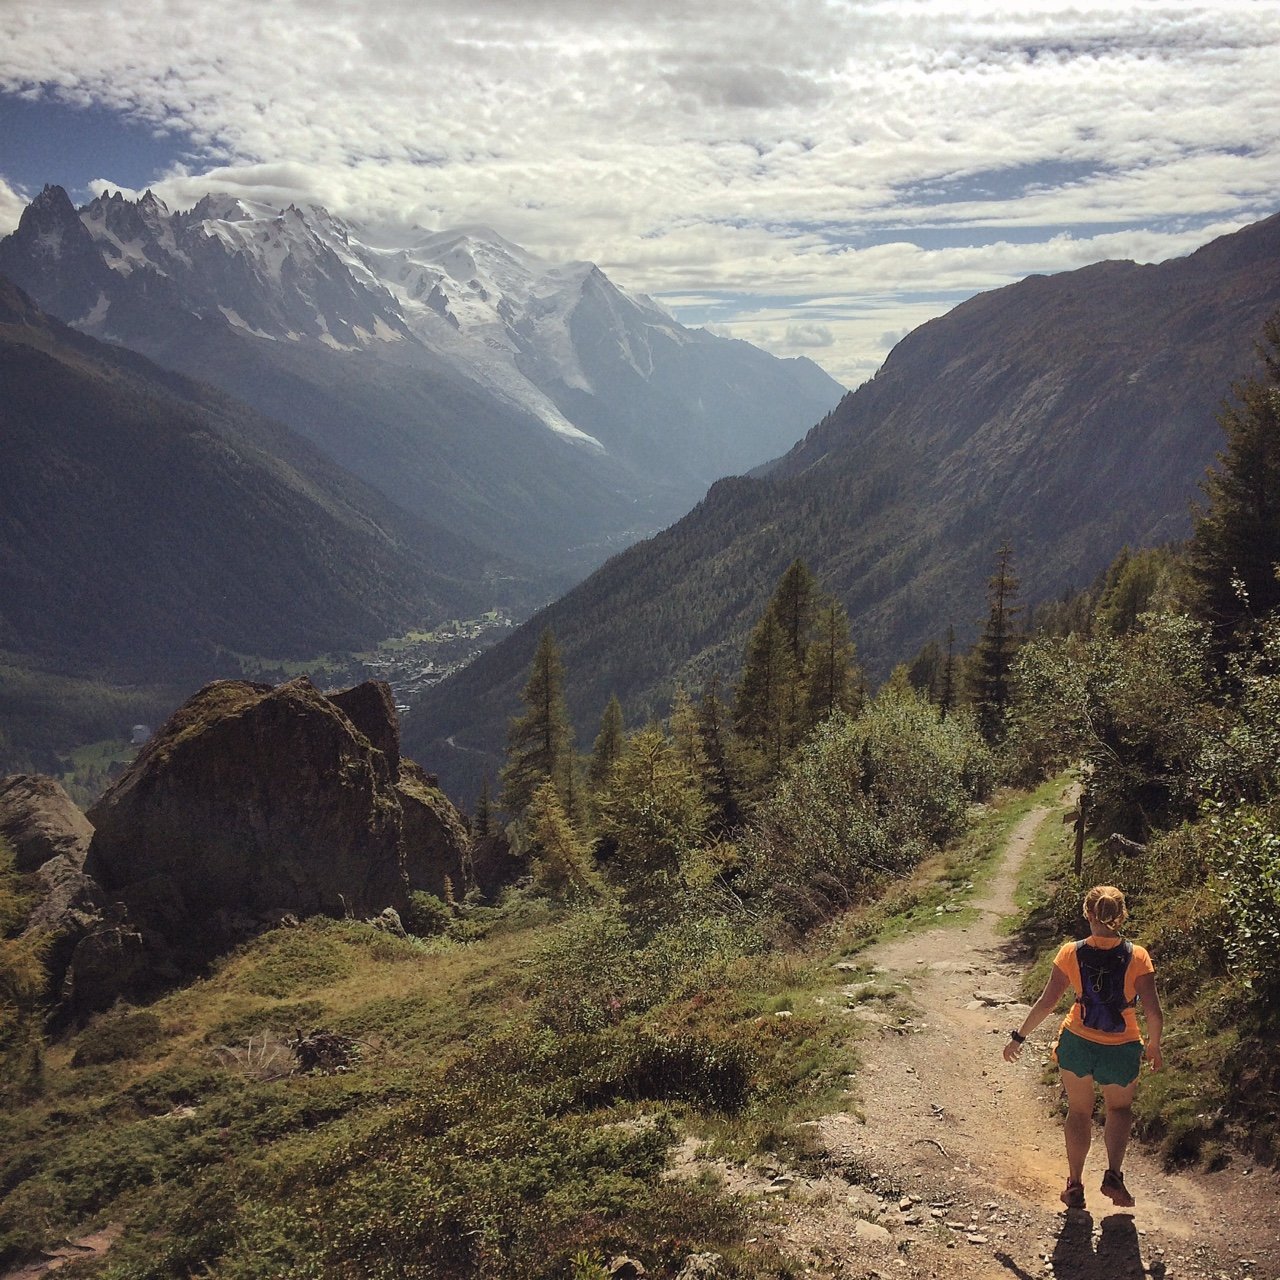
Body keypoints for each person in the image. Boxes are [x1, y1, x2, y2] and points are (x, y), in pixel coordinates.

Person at [1002, 884, 1164, 1210]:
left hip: (1077, 1041)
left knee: (1079, 1111)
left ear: (1087, 913)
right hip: (1121, 1046)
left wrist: (1018, 1036)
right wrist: (1154, 1045)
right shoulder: (1138, 956)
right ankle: (1114, 1176)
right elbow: (1153, 1012)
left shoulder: (1070, 952)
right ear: (1120, 916)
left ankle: (1075, 1185)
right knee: (1118, 1110)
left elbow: (1047, 1002)